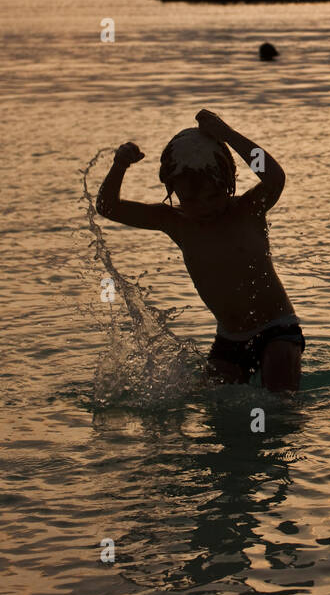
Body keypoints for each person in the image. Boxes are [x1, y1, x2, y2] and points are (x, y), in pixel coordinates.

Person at [95, 109, 304, 391]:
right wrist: (120, 165)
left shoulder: (247, 209)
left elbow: (275, 178)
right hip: (229, 340)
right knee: (214, 410)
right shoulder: (176, 222)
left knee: (279, 402)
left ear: (229, 183)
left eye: (213, 196)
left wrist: (227, 134)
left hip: (276, 329)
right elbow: (108, 207)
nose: (204, 207)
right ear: (173, 191)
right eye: (191, 198)